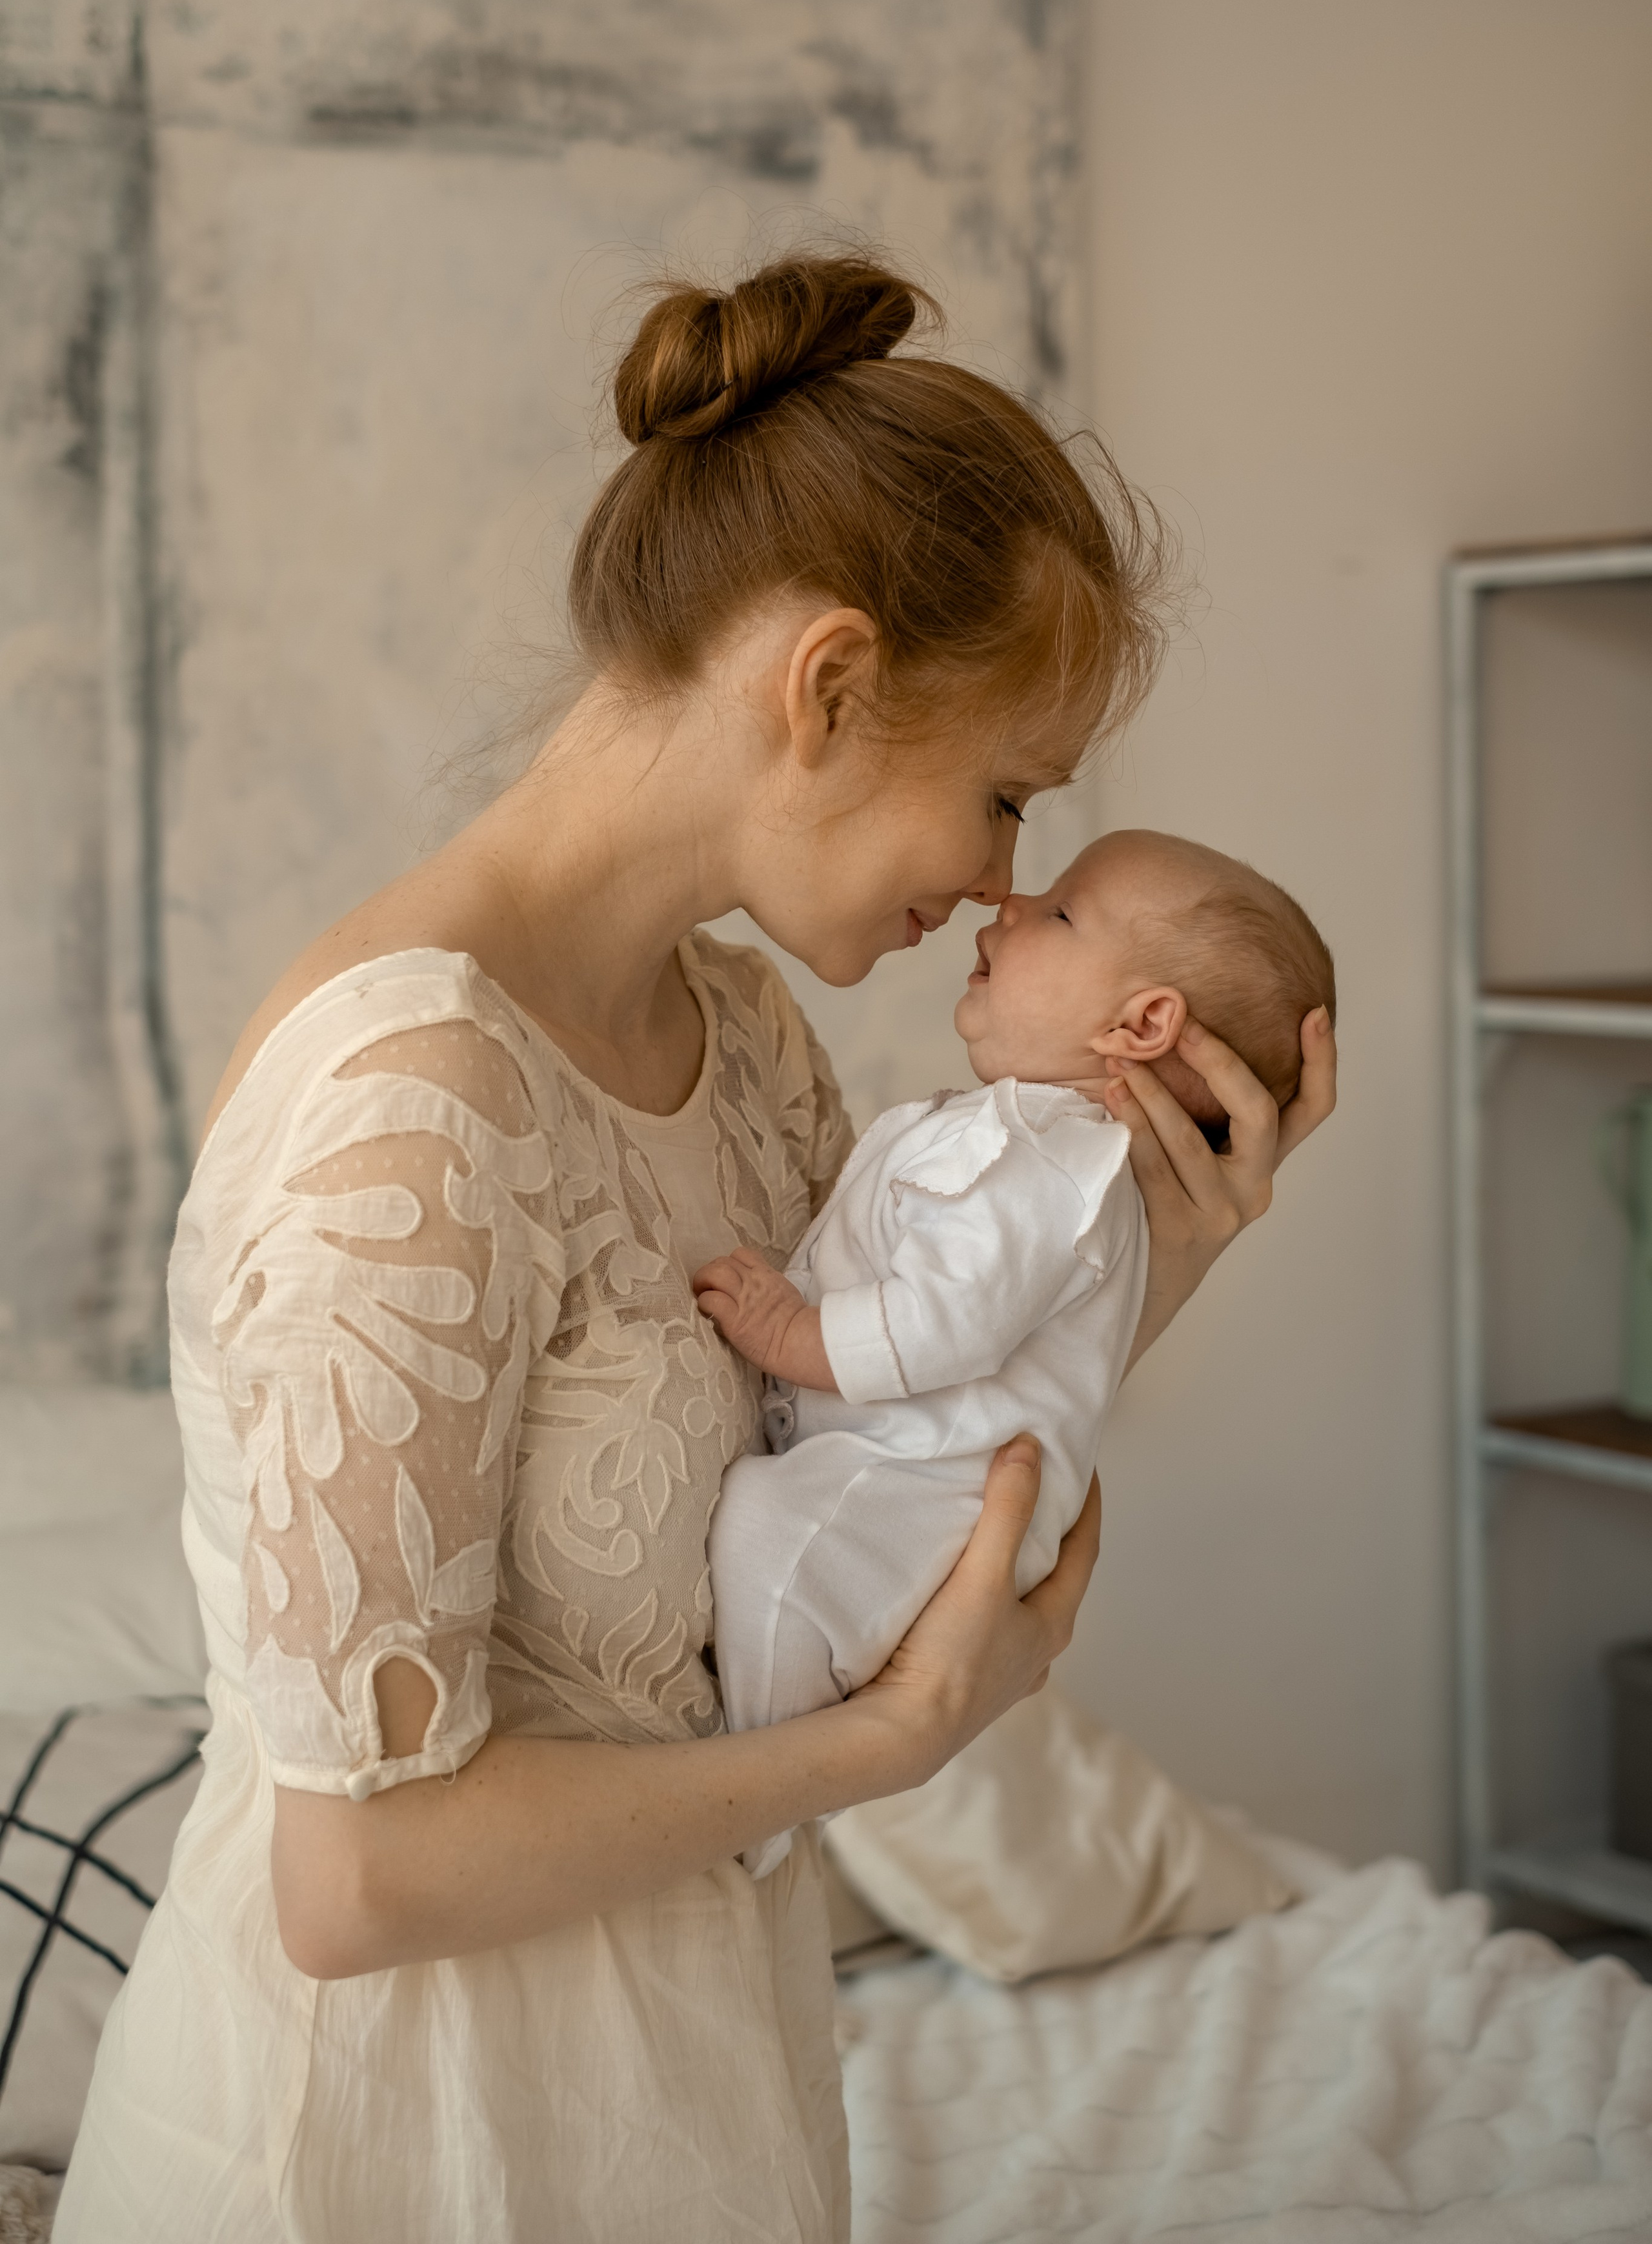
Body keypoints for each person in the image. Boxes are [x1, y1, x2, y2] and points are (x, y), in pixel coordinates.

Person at [57, 253, 1336, 2244]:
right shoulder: (408, 1100)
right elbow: (357, 1883)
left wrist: (1169, 1237)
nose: (1004, 880)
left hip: (697, 2104)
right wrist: (890, 1741)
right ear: (828, 687)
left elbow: (895, 1439)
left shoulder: (743, 1039)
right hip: (403, 2158)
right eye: (1003, 796)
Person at [698, 831, 1335, 1876]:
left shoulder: (1047, 1155)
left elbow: (946, 1323)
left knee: (770, 1536)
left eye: (1060, 913)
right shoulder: (1049, 1149)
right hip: (920, 1478)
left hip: (924, 1492)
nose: (1005, 902)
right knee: (774, 1531)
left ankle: (756, 1807)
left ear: (1143, 1023)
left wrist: (786, 1336)